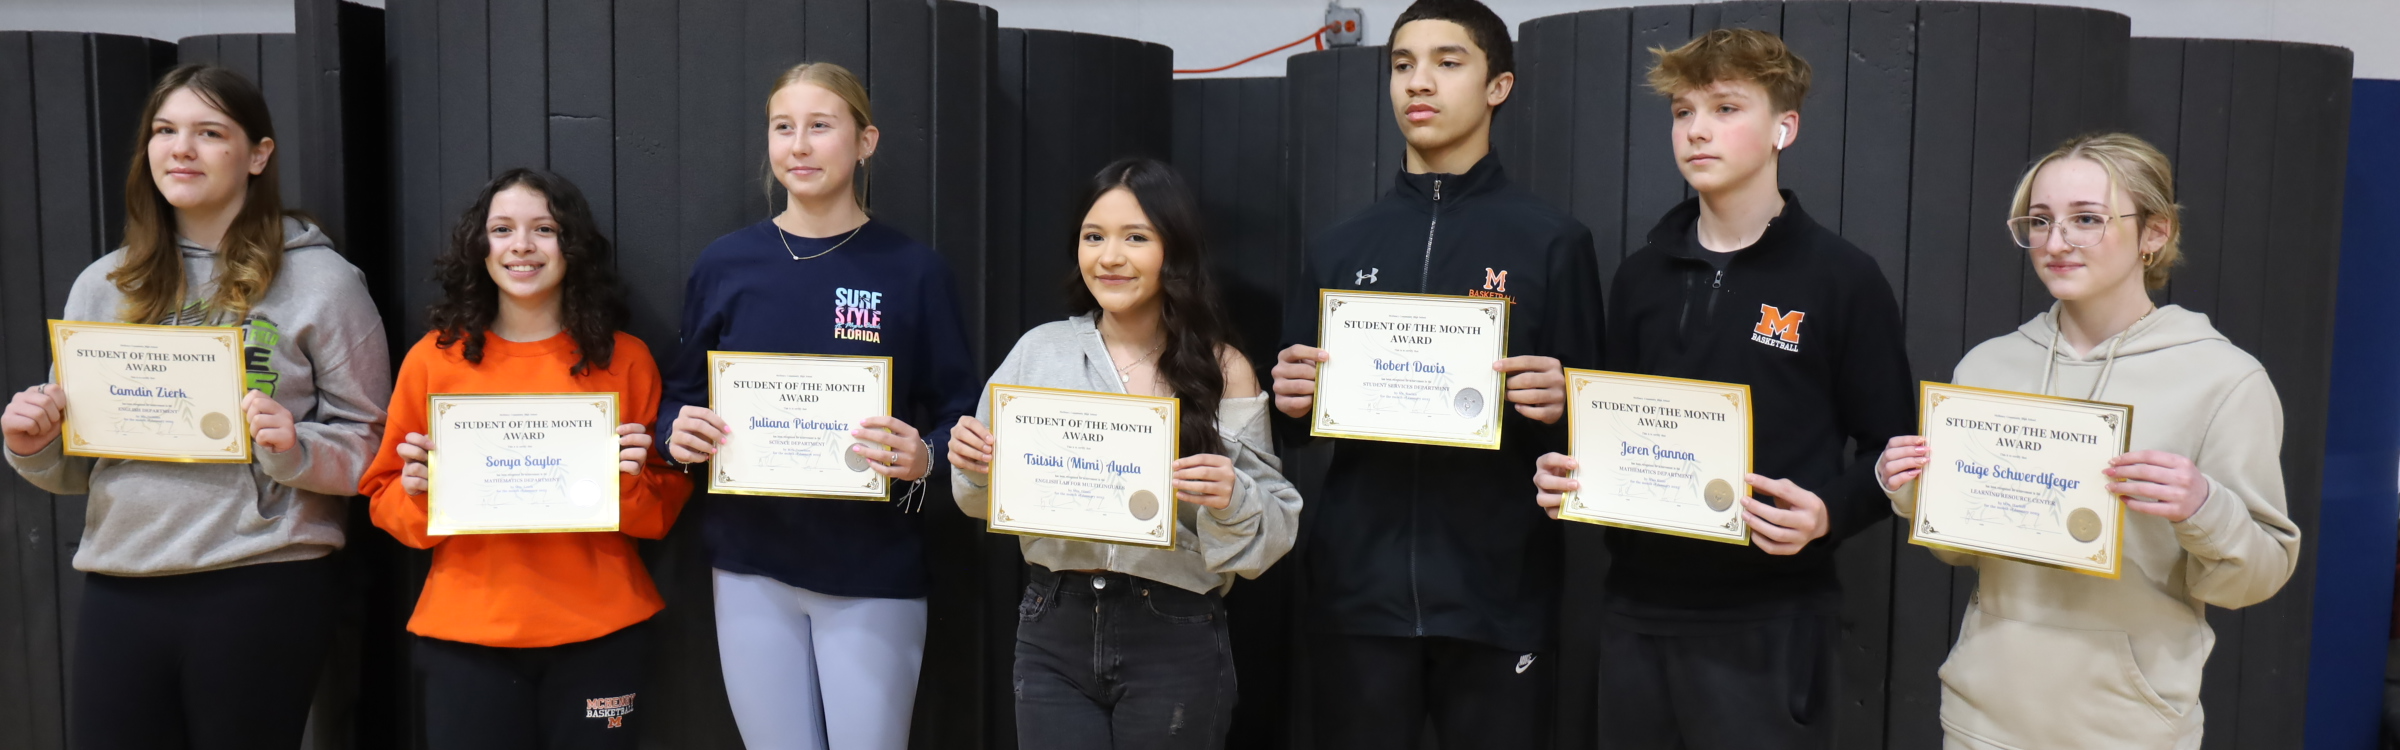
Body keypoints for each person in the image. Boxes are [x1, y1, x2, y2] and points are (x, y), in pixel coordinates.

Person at [1531, 28, 1916, 749]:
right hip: (1635, 615)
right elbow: (1613, 430)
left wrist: (1828, 512)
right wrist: (1567, 470)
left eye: (1726, 108)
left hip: (1770, 623)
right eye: (1683, 112)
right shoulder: (1640, 277)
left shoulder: (1841, 279)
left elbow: (1894, 450)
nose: (1698, 130)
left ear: (1784, 128)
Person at [0, 64, 391, 749]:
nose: (180, 149)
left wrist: (296, 451)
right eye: (164, 130)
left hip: (261, 578)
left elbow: (373, 445)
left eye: (209, 132)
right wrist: (33, 445)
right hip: (120, 575)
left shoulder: (323, 282)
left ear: (258, 154)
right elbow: (79, 465)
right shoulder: (104, 283)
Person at [1876, 132, 2299, 750]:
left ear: (2154, 233)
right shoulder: (1988, 366)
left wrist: (2204, 507)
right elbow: (1959, 553)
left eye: (2087, 220)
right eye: (2040, 221)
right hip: (1981, 717)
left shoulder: (2225, 379)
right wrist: (1912, 492)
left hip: (2130, 728)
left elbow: (2255, 578)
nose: (2055, 243)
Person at [1267, 0, 1605, 745]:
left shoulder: (1553, 242)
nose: (1419, 82)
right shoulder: (1339, 245)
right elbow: (1290, 428)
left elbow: (1595, 435)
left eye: (1448, 62)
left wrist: (1567, 401)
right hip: (1360, 596)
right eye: (1402, 64)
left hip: (1500, 596)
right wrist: (1288, 397)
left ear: (1498, 87)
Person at [658, 61, 980, 750]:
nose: (798, 146)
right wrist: (675, 433)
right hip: (749, 564)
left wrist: (926, 455)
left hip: (872, 568)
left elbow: (962, 416)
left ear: (865, 142)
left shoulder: (915, 271)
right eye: (783, 128)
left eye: (820, 127)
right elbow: (679, 401)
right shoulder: (724, 264)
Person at [948, 158, 1302, 748]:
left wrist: (1231, 496)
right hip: (1051, 623)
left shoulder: (1225, 368)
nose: (1109, 257)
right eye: (1094, 237)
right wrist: (973, 464)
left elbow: (1273, 529)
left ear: (1176, 250)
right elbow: (976, 500)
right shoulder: (1040, 353)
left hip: (1176, 629)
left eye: (1136, 237)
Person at [358, 168, 691, 748]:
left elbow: (662, 509)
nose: (522, 246)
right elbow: (383, 494)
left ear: (572, 245)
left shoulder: (626, 361)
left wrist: (631, 484)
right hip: (467, 635)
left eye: (544, 229)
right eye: (503, 229)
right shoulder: (434, 362)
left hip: (601, 632)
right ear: (479, 245)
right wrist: (418, 494)